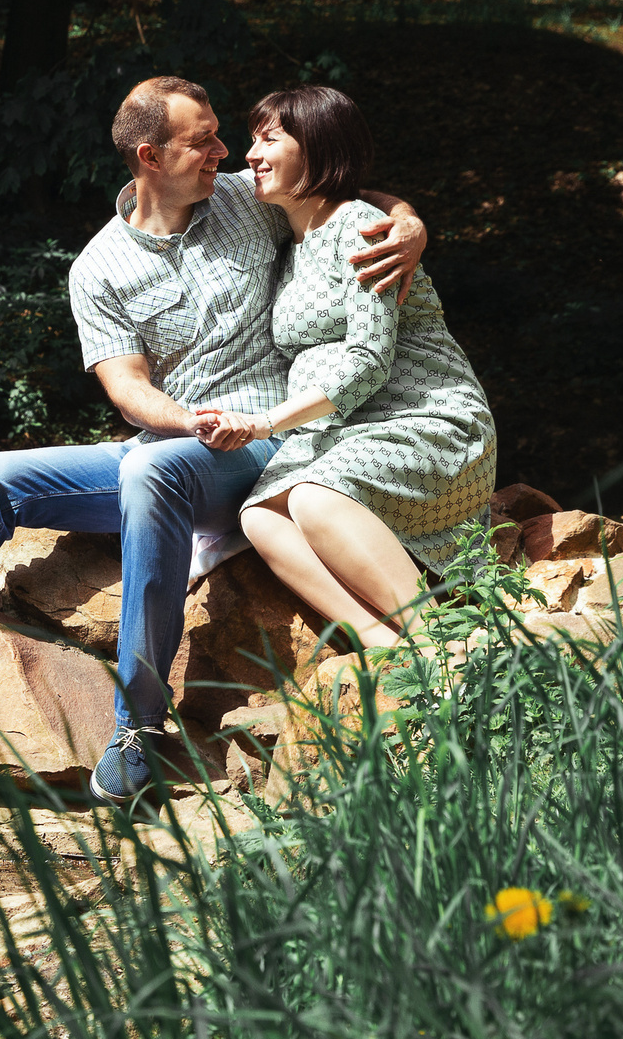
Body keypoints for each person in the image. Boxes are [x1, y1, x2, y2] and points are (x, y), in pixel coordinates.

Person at [0, 75, 430, 804]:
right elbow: (127, 387)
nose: (225, 151)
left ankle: (138, 726)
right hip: (179, 440)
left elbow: (341, 190)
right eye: (203, 139)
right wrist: (183, 419)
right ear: (150, 155)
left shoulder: (245, 200)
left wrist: (410, 220)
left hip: (266, 439)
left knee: (153, 475)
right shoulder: (99, 267)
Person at [193, 85, 496, 651]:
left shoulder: (363, 231)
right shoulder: (293, 243)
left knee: (311, 498)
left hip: (426, 421)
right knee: (261, 518)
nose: (249, 154)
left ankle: (446, 647)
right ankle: (385, 649)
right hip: (349, 432)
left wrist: (261, 426)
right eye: (251, 139)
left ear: (317, 148)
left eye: (269, 139)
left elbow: (368, 362)